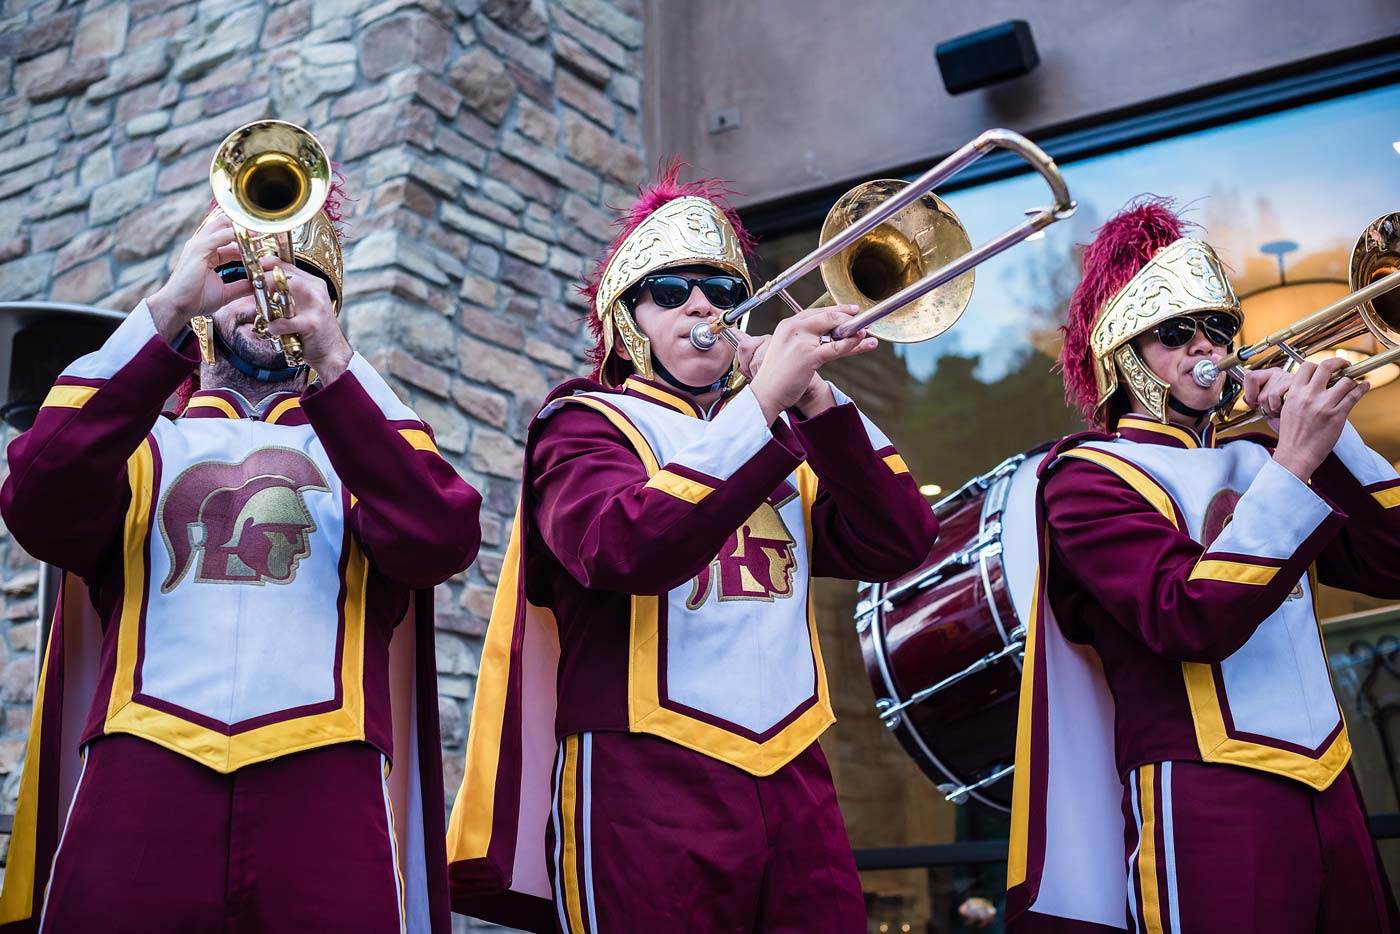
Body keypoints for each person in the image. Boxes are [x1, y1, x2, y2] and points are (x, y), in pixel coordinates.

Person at [445, 166, 938, 933]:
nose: (702, 304)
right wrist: (765, 403)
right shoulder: (584, 424)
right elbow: (622, 548)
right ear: (626, 320)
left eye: (719, 288)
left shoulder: (783, 429)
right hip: (644, 774)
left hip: (794, 770)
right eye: (670, 291)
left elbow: (903, 538)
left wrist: (817, 400)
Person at [0, 180, 481, 932]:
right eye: (240, 273)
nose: (265, 291)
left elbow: (442, 533)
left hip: (327, 777)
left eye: (299, 277)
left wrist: (334, 357)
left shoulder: (364, 453)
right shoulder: (138, 444)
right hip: (142, 768)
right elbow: (36, 491)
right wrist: (165, 308)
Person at [1007, 198, 1400, 933]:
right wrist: (1294, 463)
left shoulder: (1263, 457)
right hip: (1204, 793)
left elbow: (1393, 560)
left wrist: (1332, 439)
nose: (1206, 346)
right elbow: (1186, 617)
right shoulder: (1086, 475)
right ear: (1124, 351)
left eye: (1219, 327)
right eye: (1175, 332)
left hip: (1331, 780)